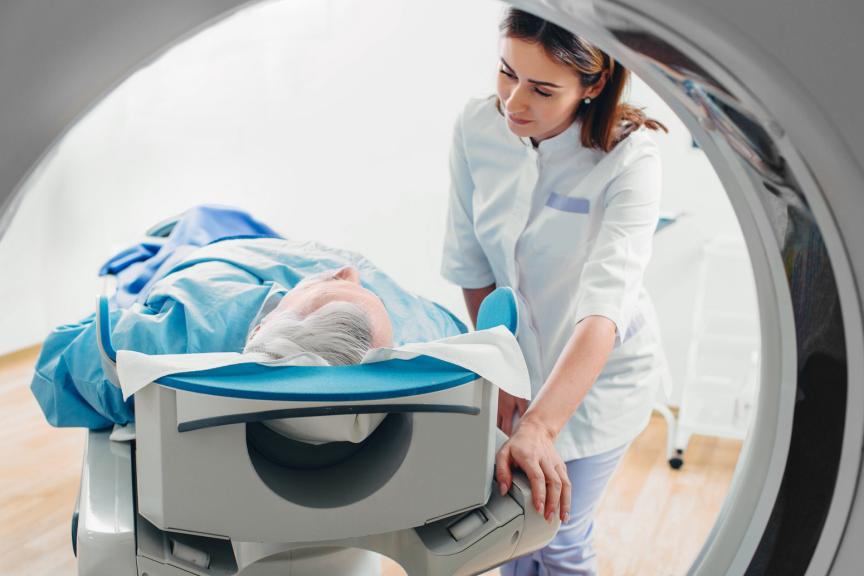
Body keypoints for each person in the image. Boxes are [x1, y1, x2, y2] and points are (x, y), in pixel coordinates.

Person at [441, 9, 669, 575]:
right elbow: (472, 263)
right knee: (509, 535)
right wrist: (500, 367)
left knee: (558, 539)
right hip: (517, 364)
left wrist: (542, 425)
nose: (515, 102)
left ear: (592, 85)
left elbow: (603, 308)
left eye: (542, 89)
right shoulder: (477, 126)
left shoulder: (630, 158)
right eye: (505, 72)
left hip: (600, 377)